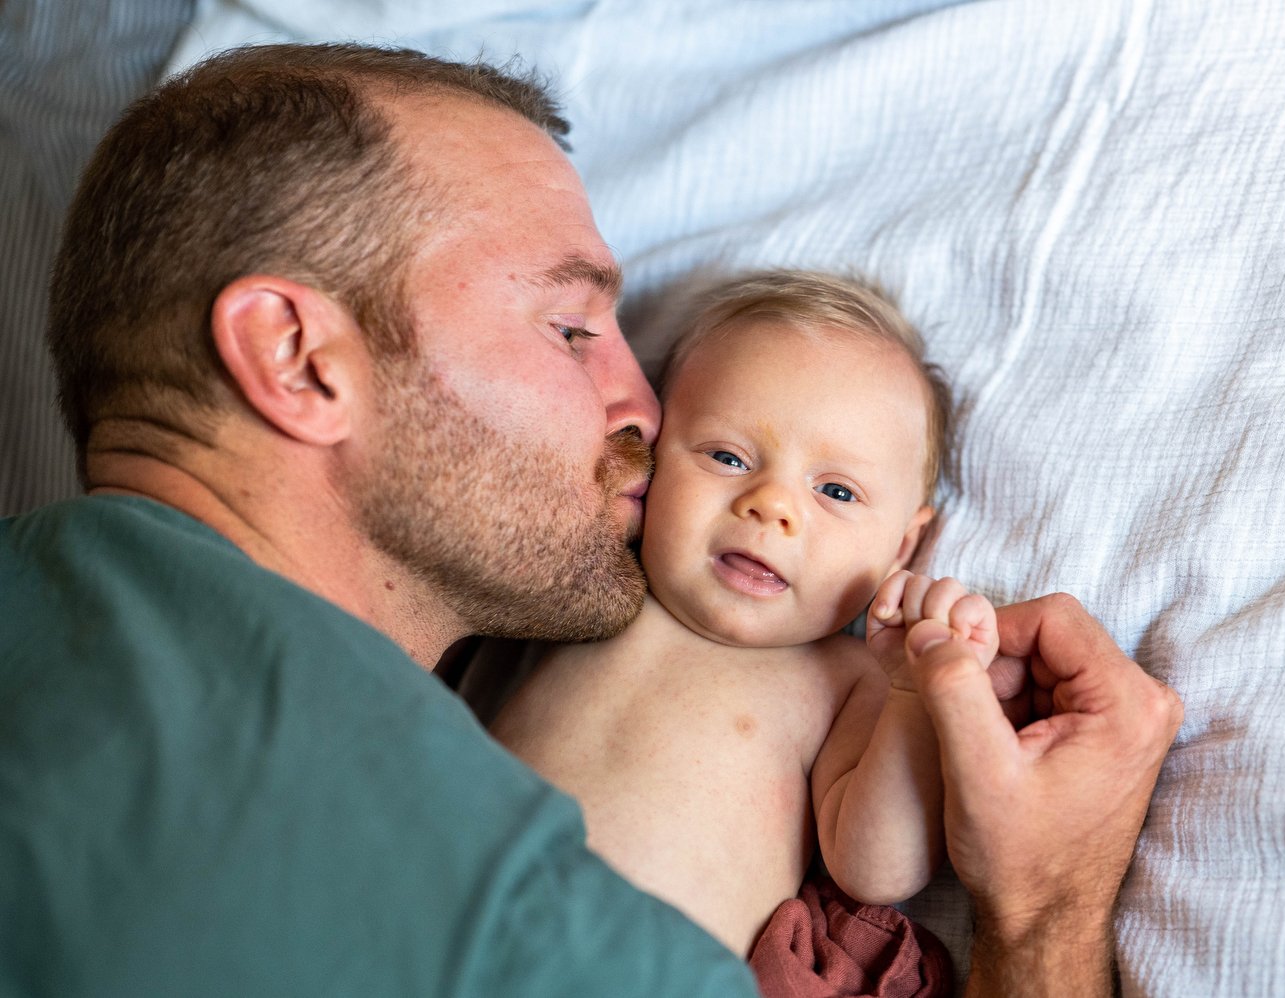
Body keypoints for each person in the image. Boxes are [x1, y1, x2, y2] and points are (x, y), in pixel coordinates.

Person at [0, 41, 1182, 998]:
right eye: (571, 329)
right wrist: (1044, 917)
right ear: (298, 355)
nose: (643, 403)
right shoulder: (509, 920)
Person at [494, 271, 990, 965]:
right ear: (653, 459)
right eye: (727, 456)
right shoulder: (595, 585)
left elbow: (876, 870)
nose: (772, 506)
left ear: (903, 546)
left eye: (836, 491)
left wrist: (914, 693)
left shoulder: (846, 679)